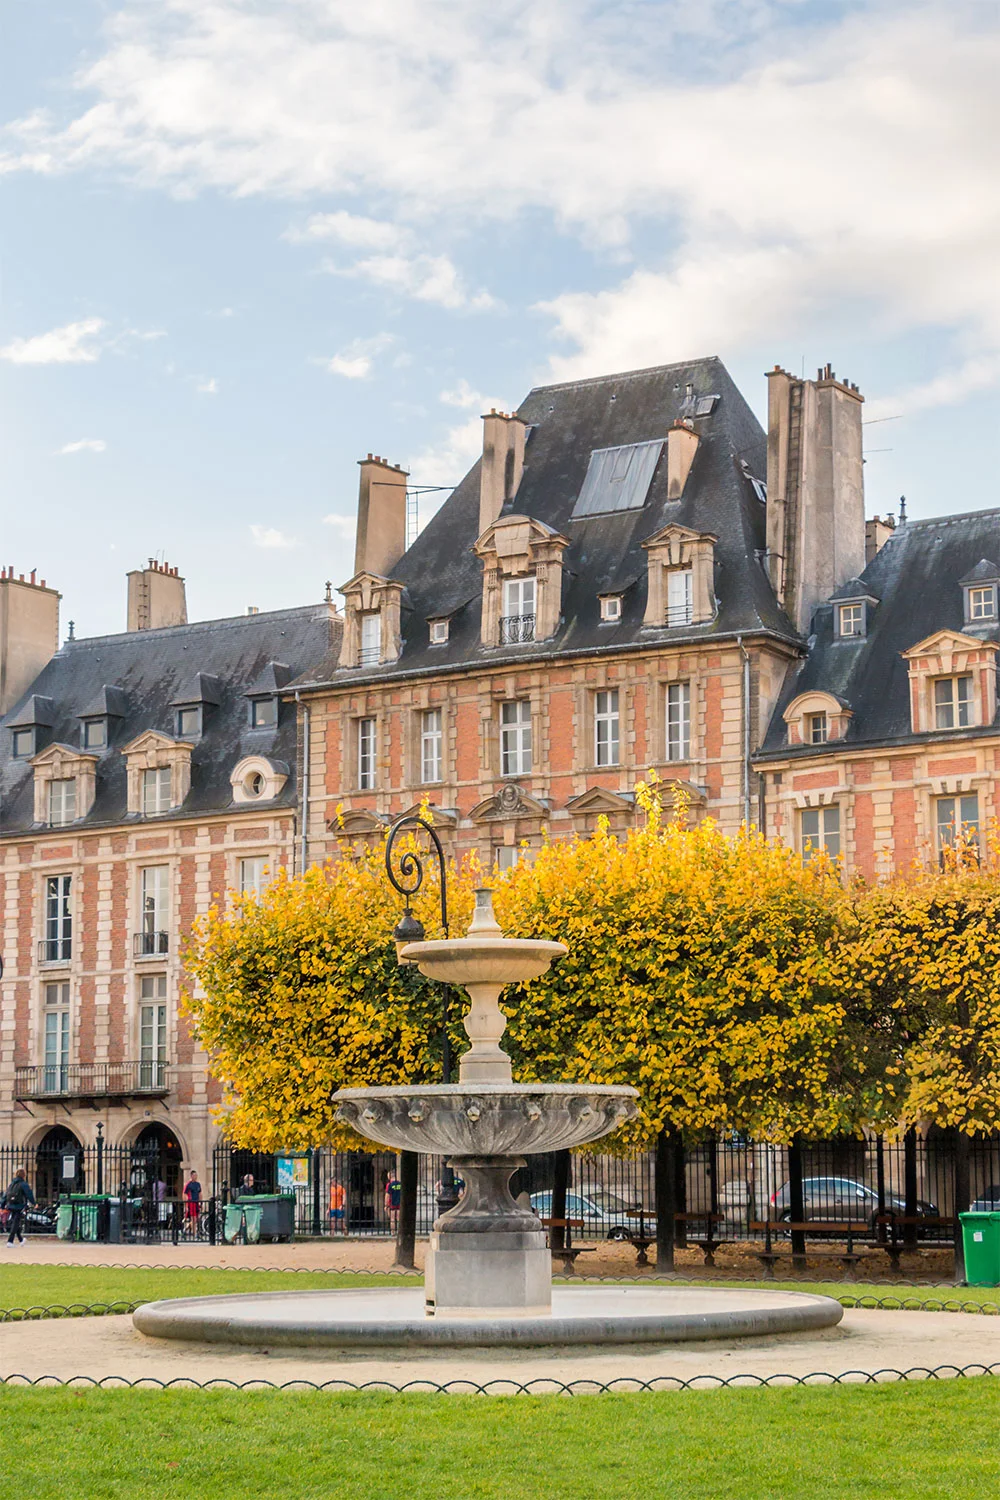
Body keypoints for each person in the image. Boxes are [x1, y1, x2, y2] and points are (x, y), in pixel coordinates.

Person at [3, 1169, 36, 1247]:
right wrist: (34, 1203)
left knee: (15, 1222)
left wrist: (2, 1205)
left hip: (10, 1204)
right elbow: (29, 1194)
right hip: (19, 1205)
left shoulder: (12, 1184)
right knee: (16, 1222)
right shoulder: (23, 1184)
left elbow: (6, 1194)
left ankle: (21, 1240)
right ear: (24, 1175)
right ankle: (10, 1241)